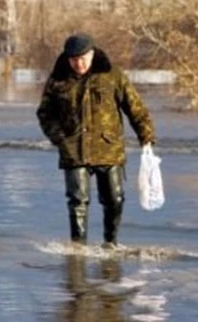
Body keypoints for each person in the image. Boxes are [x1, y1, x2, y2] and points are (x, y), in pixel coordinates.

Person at [36, 33, 157, 248]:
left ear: (92, 54)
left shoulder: (112, 76)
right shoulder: (58, 79)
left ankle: (110, 242)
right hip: (74, 149)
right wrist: (60, 138)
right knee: (77, 201)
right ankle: (78, 245)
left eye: (82, 58)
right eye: (74, 59)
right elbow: (45, 113)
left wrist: (146, 137)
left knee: (114, 199)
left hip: (108, 148)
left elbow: (135, 108)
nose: (78, 64)